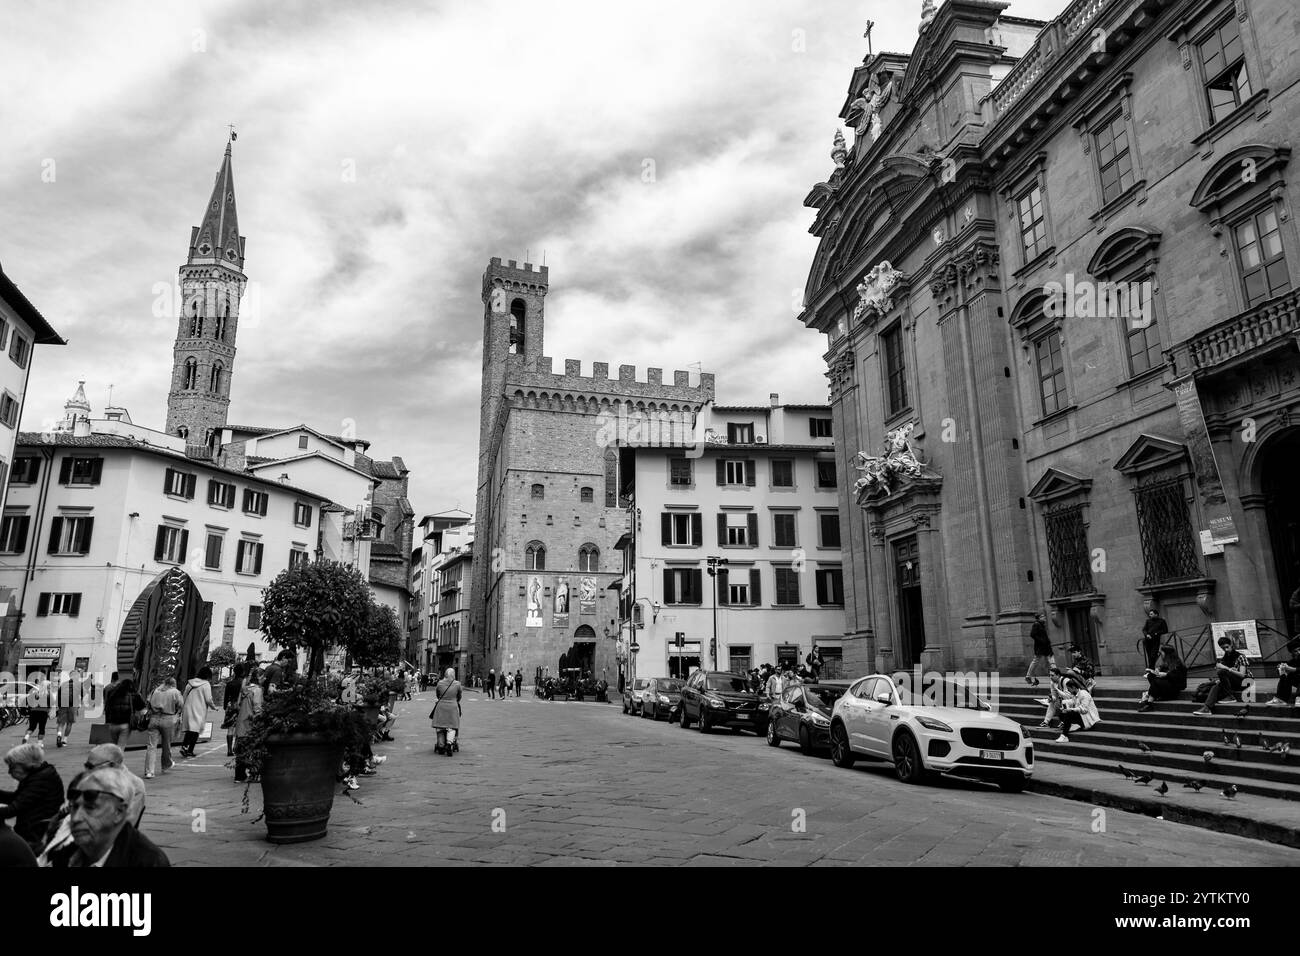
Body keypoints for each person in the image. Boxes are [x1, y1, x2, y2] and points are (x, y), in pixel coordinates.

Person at [59, 766, 169, 867]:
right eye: (75, 807)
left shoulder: (148, 861)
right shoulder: (63, 850)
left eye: (90, 808)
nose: (76, 818)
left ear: (119, 812)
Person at [0, 743, 64, 851]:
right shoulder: (37, 775)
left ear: (26, 764)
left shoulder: (41, 779)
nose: (9, 772)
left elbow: (14, 809)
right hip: (33, 830)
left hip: (35, 836)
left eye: (12, 767)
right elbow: (17, 798)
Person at [1194, 635, 1248, 716]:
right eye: (1223, 648)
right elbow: (1220, 670)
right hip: (1230, 683)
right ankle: (1206, 708)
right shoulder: (1225, 657)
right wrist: (1220, 669)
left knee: (1222, 673)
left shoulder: (1240, 656)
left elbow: (1242, 675)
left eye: (1227, 647)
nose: (1226, 650)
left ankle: (1230, 696)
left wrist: (1227, 669)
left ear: (1231, 645)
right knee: (1215, 686)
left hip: (1244, 682)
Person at [143, 677, 183, 779]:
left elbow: (148, 703)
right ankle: (166, 765)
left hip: (154, 718)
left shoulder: (155, 691)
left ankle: (149, 771)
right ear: (173, 684)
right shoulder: (175, 692)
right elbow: (181, 705)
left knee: (151, 746)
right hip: (168, 719)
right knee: (166, 745)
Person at [233, 668, 263, 782]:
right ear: (259, 677)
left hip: (241, 722)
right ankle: (254, 774)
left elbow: (238, 704)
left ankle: (239, 776)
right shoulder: (257, 690)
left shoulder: (244, 689)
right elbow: (257, 708)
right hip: (250, 722)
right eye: (263, 676)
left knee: (241, 750)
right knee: (253, 749)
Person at [179, 666, 215, 758]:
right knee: (195, 730)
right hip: (199, 709)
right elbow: (208, 699)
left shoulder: (190, 683)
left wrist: (181, 709)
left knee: (190, 729)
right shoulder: (206, 684)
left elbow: (184, 696)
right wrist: (213, 707)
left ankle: (185, 747)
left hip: (188, 709)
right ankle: (189, 750)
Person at [1138, 644, 1187, 712]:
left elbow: (1179, 678)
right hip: (1169, 681)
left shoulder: (1178, 663)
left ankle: (1149, 704)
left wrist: (1166, 675)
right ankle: (1158, 695)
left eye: (1161, 653)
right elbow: (1162, 668)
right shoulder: (1167, 661)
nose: (1160, 654)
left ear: (1167, 653)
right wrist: (1157, 670)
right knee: (1150, 676)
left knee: (1156, 682)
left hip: (1176, 685)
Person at [1054, 678, 1100, 743]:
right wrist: (1062, 703)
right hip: (1082, 717)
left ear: (1073, 687)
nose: (1068, 690)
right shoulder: (1076, 694)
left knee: (1069, 713)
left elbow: (1084, 709)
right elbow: (1073, 701)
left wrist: (1070, 709)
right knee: (1062, 713)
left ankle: (1064, 735)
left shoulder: (1084, 694)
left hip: (1088, 719)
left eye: (1069, 688)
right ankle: (1071, 725)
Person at [429, 667, 463, 756]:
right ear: (454, 675)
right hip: (453, 706)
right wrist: (456, 700)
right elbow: (459, 696)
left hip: (441, 707)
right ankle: (449, 743)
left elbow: (438, 694)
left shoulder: (440, 683)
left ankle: (441, 745)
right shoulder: (457, 684)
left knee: (440, 726)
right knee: (452, 726)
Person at [103, 677, 144, 748]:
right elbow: (142, 708)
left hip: (112, 725)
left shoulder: (112, 694)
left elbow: (107, 709)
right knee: (120, 748)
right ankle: (116, 759)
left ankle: (112, 759)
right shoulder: (134, 695)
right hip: (125, 725)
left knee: (114, 748)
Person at [54, 669, 84, 748]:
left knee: (61, 723)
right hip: (73, 705)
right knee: (69, 723)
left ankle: (59, 735)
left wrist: (57, 705)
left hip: (63, 705)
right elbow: (82, 695)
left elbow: (58, 695)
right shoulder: (79, 684)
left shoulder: (63, 684)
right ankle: (64, 740)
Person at [1268, 636, 1300, 706]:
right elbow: (1283, 672)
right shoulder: (1292, 661)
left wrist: (1293, 669)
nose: (1299, 652)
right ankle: (1281, 699)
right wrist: (1281, 669)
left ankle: (1299, 697)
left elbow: (1294, 670)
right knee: (1286, 677)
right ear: (1292, 653)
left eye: (1299, 649)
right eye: (1295, 651)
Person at [22, 673, 52, 746]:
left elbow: (26, 700)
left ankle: (26, 737)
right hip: (43, 712)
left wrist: (29, 708)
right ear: (47, 686)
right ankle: (39, 743)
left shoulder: (35, 693)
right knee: (42, 728)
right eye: (49, 686)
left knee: (32, 727)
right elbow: (52, 703)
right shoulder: (48, 694)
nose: (50, 687)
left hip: (33, 712)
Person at [223, 663, 246, 757]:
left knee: (230, 729)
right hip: (241, 706)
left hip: (231, 706)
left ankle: (229, 750)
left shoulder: (230, 683)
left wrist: (225, 707)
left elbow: (226, 697)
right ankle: (236, 748)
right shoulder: (244, 683)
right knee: (240, 728)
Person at [1026, 612, 1051, 686]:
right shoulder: (1036, 624)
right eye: (1043, 616)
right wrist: (1042, 641)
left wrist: (1047, 641)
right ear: (1039, 618)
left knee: (1050, 659)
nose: (1044, 618)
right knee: (1036, 660)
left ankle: (1053, 674)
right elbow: (1032, 634)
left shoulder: (1042, 624)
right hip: (1040, 646)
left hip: (1045, 646)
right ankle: (1028, 676)